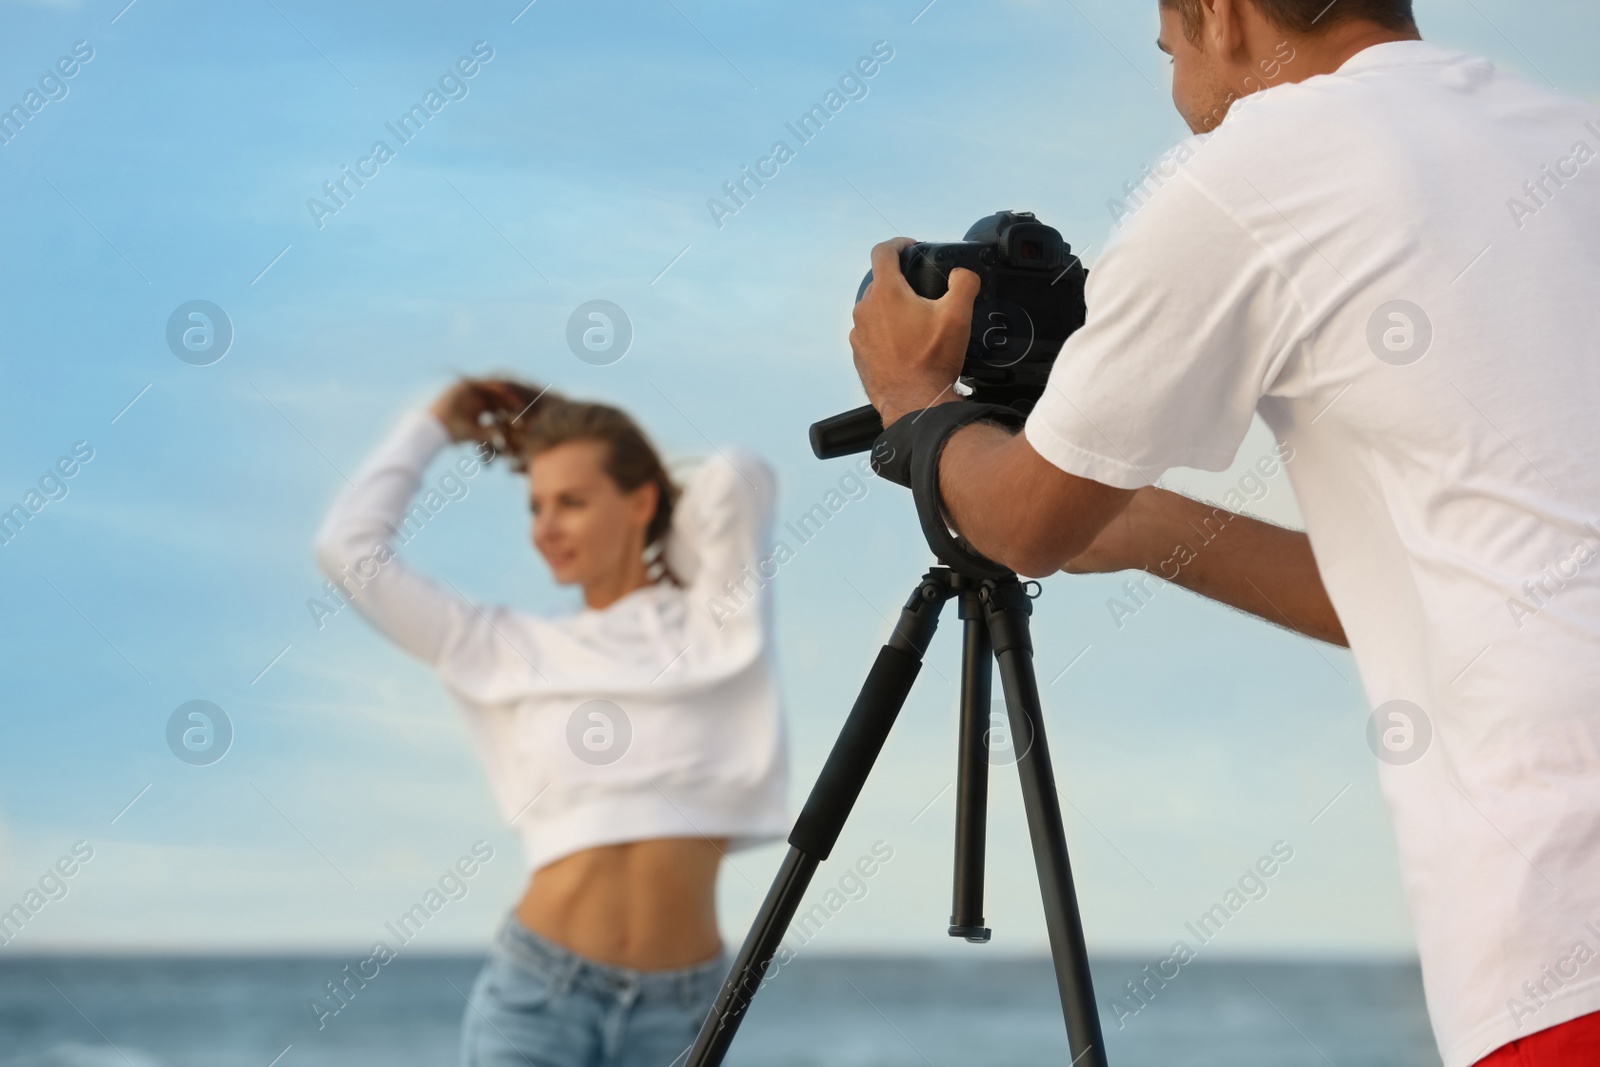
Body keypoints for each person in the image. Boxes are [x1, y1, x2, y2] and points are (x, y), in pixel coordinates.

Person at [848, 1, 1600, 1065]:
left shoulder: (1257, 166)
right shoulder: (1567, 133)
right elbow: (1459, 592)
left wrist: (914, 404)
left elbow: (1018, 521)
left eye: (1168, 53)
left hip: (1564, 912)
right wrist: (1141, 520)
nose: (1178, 101)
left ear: (1218, 12)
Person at [312, 377, 789, 1067]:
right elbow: (345, 547)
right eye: (536, 505)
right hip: (538, 1000)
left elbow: (739, 477)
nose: (546, 527)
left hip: (683, 1012)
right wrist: (436, 425)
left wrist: (563, 417)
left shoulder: (714, 625)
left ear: (642, 501)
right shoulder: (498, 645)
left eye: (572, 501)